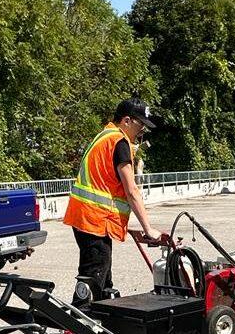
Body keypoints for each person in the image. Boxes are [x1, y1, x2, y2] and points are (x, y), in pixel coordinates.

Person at [64, 98, 164, 304]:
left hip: (86, 216)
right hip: (95, 218)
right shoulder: (119, 142)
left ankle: (100, 315)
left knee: (102, 272)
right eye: (140, 125)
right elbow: (131, 190)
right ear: (126, 121)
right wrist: (148, 228)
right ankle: (78, 322)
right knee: (94, 273)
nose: (142, 130)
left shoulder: (104, 136)